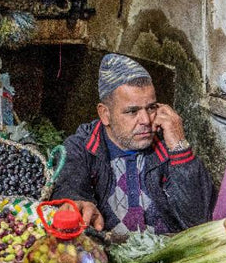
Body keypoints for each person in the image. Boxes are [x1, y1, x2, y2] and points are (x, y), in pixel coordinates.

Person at [51, 53, 215, 236]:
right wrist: (76, 202)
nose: (145, 120)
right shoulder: (81, 148)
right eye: (132, 111)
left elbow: (200, 222)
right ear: (105, 114)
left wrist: (180, 146)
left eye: (151, 107)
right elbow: (68, 187)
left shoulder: (168, 145)